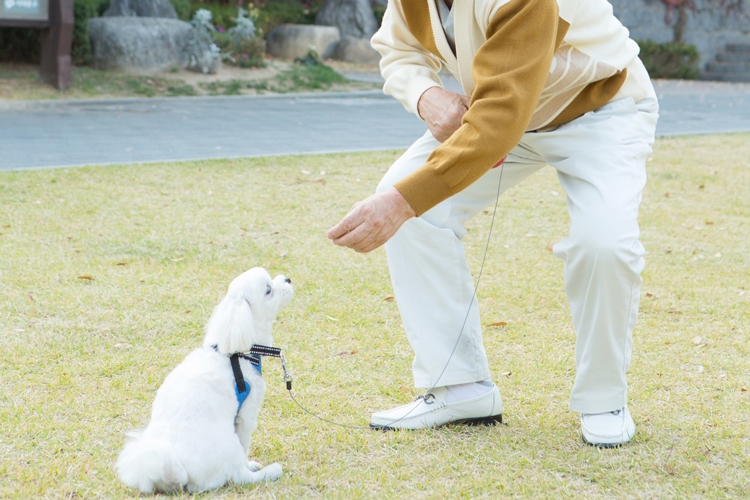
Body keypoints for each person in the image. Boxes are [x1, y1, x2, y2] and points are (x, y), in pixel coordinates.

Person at [327, 0, 658, 447]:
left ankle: (604, 401)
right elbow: (399, 49)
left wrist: (401, 202)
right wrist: (428, 97)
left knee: (603, 244)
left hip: (599, 110)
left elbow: (500, 117)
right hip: (496, 117)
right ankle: (459, 387)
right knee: (412, 210)